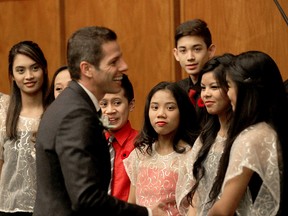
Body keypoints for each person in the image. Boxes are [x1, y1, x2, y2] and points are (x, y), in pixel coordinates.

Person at [33, 26, 166, 216]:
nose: (124, 66)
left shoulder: (71, 103)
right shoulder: (76, 114)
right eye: (114, 62)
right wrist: (148, 214)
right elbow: (85, 197)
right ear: (87, 69)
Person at [191, 51, 288, 215]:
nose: (228, 94)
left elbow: (223, 210)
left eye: (228, 86)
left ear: (245, 89)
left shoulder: (251, 137)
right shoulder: (274, 128)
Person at [123, 81, 200, 215]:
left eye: (170, 108)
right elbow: (132, 205)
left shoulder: (191, 157)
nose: (161, 114)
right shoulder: (139, 154)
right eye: (155, 107)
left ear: (182, 111)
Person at [175, 53, 235, 215]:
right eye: (203, 88)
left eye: (214, 87)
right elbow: (196, 193)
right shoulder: (205, 136)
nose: (206, 94)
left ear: (232, 88)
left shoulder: (243, 137)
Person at [0, 40, 49, 215]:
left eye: (34, 68)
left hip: (47, 209)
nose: (28, 76)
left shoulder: (56, 111)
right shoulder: (3, 111)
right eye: (20, 70)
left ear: (44, 69)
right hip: (7, 208)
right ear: (12, 75)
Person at [99, 73, 137, 201]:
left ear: (131, 105)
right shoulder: (91, 143)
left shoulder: (141, 144)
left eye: (117, 103)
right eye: (103, 104)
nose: (110, 110)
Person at [173, 19, 216, 109]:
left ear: (210, 51)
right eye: (183, 51)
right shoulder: (176, 91)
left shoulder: (221, 88)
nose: (190, 57)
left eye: (197, 49)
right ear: (176, 54)